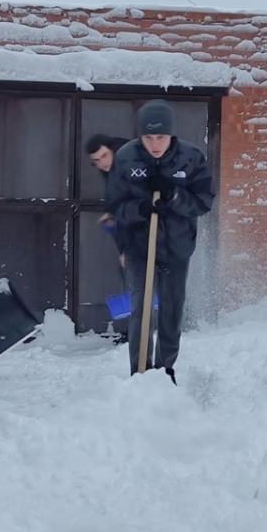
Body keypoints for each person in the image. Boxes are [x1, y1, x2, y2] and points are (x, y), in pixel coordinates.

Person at [105, 100, 214, 381]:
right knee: (140, 308)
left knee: (171, 308)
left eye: (161, 137)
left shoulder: (191, 158)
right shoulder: (127, 158)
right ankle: (139, 370)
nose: (155, 144)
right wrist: (140, 209)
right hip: (139, 248)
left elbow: (204, 202)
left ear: (172, 135)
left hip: (177, 248)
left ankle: (166, 369)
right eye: (149, 137)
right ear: (140, 136)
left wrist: (174, 196)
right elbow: (115, 205)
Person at [85, 133, 129, 262]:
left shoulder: (129, 163)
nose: (102, 163)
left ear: (113, 150)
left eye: (104, 156)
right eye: (96, 161)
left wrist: (126, 250)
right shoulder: (110, 170)